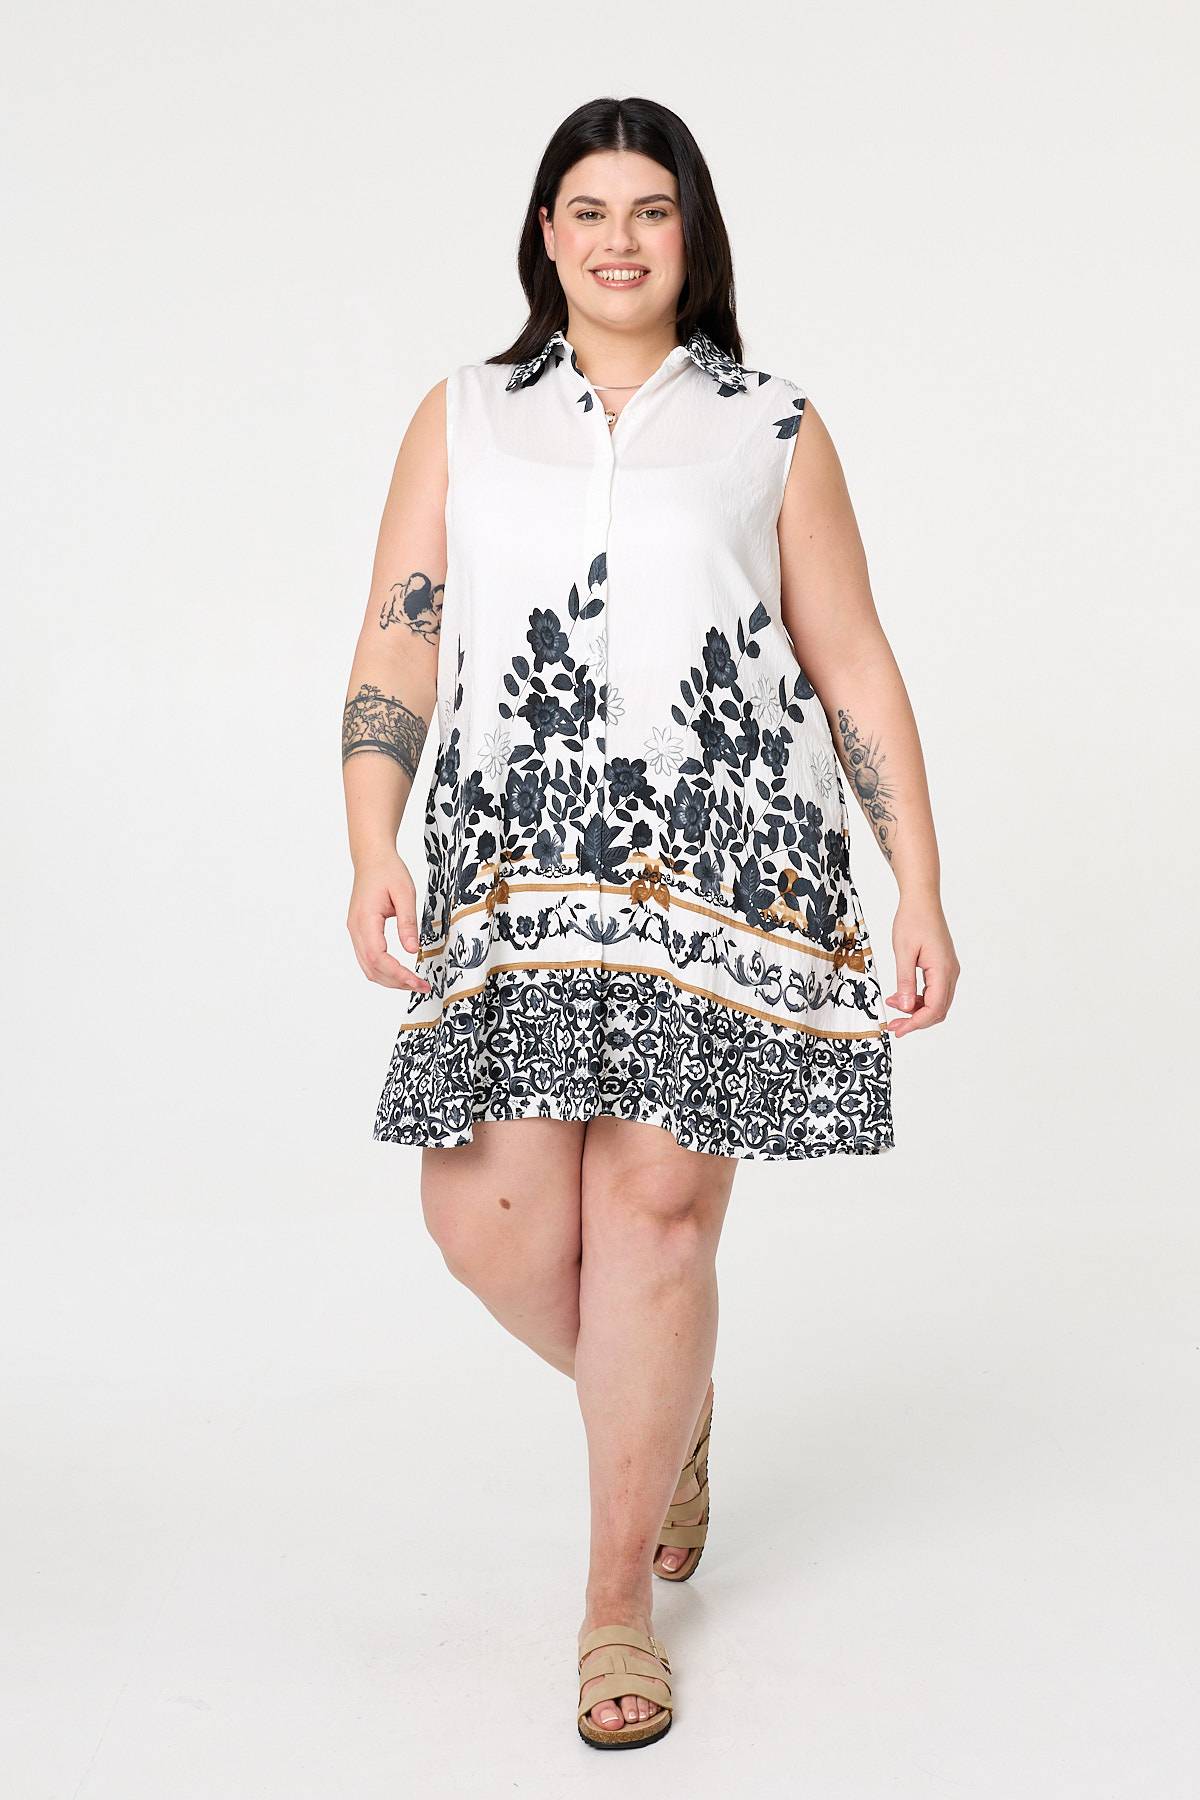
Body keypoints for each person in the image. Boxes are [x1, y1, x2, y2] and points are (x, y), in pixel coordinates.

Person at [341, 95, 959, 1749]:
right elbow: (402, 635)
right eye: (589, 209)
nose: (620, 239)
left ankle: (617, 1600)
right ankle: (667, 1403)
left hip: (727, 867)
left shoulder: (773, 425)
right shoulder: (465, 416)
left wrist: (920, 882)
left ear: (695, 235)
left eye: (652, 210)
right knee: (485, 1212)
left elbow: (852, 662)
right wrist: (369, 838)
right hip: (515, 867)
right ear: (545, 236)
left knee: (659, 1214)